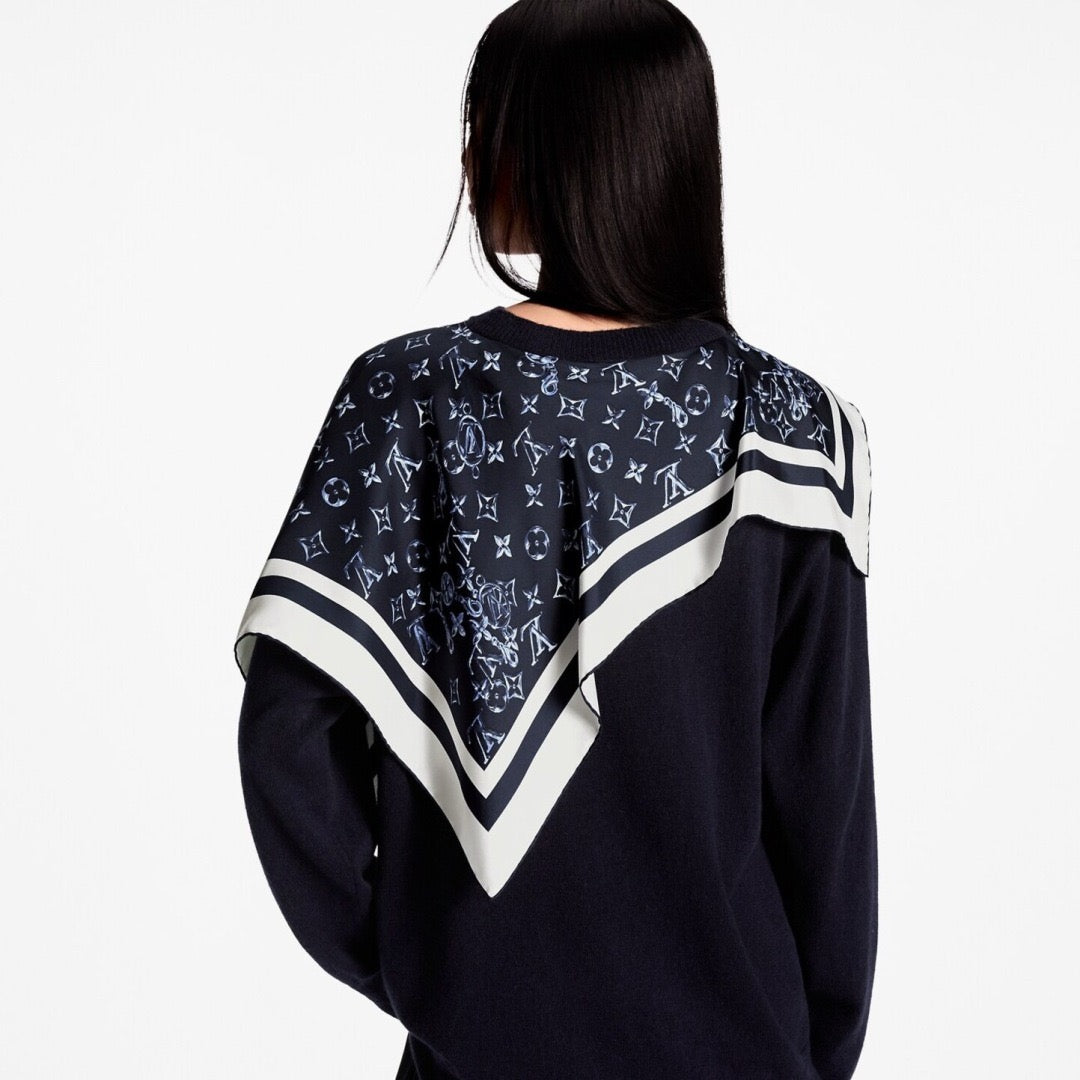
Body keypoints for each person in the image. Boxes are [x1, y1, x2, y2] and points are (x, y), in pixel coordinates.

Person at [233, 2, 878, 1078]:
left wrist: (435, 974)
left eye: (484, 122)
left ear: (557, 148)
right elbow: (827, 813)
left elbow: (290, 751)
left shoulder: (406, 401)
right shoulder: (790, 431)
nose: (468, 156)